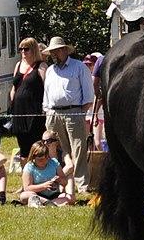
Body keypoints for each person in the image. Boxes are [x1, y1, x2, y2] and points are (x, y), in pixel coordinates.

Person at [42, 36, 94, 193]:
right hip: (53, 113)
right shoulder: (50, 70)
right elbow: (46, 94)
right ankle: (57, 181)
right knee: (54, 148)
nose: (53, 55)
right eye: (51, 52)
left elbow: (88, 95)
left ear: (64, 50)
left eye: (55, 51)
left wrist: (79, 113)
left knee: (78, 147)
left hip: (74, 111)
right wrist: (47, 112)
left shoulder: (79, 67)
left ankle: (81, 184)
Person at [9, 37, 47, 162]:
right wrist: (12, 104)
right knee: (23, 145)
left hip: (34, 111)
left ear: (34, 50)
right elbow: (14, 88)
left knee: (36, 144)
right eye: (21, 49)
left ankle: (39, 171)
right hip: (18, 111)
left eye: (26, 49)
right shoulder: (18, 64)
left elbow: (46, 88)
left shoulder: (41, 66)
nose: (23, 52)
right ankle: (26, 174)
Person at [19, 140, 71, 207]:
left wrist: (59, 180)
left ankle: (43, 203)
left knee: (70, 198)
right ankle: (48, 203)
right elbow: (27, 188)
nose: (44, 161)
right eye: (40, 159)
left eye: (46, 158)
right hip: (36, 194)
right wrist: (44, 186)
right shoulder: (29, 167)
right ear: (33, 157)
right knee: (24, 195)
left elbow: (65, 182)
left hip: (53, 195)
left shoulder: (54, 163)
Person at [40, 130, 75, 203]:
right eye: (43, 141)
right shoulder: (41, 154)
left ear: (56, 142)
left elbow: (70, 166)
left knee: (69, 175)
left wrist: (58, 177)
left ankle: (68, 196)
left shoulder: (62, 153)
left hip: (60, 180)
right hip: (46, 181)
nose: (45, 143)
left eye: (48, 141)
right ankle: (58, 199)